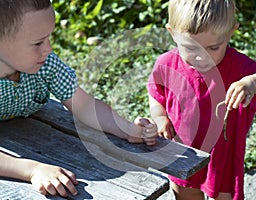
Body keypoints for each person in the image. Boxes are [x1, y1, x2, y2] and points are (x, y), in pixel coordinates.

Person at [0, 0, 157, 197]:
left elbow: (84, 105)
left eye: (48, 38)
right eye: (38, 42)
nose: (48, 49)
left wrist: (125, 129)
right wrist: (32, 170)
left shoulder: (45, 64)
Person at [147, 0, 256, 199]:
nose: (202, 57)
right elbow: (155, 92)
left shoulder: (237, 66)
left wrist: (251, 83)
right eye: (191, 48)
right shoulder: (167, 65)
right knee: (184, 192)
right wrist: (159, 117)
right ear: (172, 33)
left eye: (213, 48)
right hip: (183, 152)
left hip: (222, 157)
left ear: (231, 32)